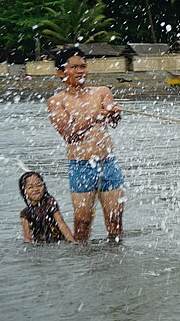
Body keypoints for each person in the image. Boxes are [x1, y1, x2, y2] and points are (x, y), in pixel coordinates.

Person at [47, 47, 125, 242]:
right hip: (80, 165)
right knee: (82, 222)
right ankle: (82, 262)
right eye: (74, 67)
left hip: (107, 162)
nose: (81, 71)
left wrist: (114, 113)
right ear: (60, 72)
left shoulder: (101, 92)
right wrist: (95, 116)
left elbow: (113, 122)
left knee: (115, 219)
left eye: (83, 66)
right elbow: (69, 134)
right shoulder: (57, 101)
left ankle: (116, 258)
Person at [19, 171, 75, 243]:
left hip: (58, 241)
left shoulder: (50, 203)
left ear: (44, 187)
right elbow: (28, 238)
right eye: (30, 187)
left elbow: (61, 224)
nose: (35, 189)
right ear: (24, 191)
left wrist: (72, 241)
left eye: (39, 185)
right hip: (40, 245)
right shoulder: (25, 214)